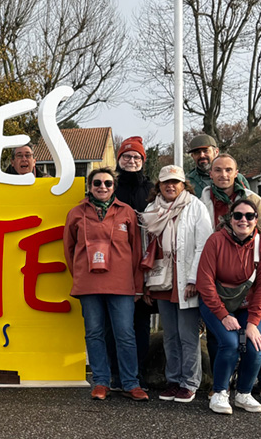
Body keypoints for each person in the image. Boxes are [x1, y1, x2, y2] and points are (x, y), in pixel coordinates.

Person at [198, 153, 261, 404]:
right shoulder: (215, 238)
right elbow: (205, 281)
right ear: (229, 219)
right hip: (217, 301)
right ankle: (220, 391)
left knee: (256, 345)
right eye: (238, 216)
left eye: (249, 217)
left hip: (247, 302)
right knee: (229, 344)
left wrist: (253, 322)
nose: (243, 220)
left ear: (256, 220)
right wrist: (222, 314)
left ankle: (244, 392)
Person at [64, 167, 148, 401]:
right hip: (89, 284)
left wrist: (137, 285)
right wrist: (79, 274)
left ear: (114, 187)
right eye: (97, 183)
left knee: (125, 334)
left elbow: (136, 250)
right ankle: (101, 381)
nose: (103, 187)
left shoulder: (126, 212)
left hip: (122, 285)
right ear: (89, 187)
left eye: (108, 183)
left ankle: (131, 382)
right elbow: (69, 249)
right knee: (94, 334)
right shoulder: (76, 213)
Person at [142, 165, 213, 403]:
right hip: (162, 280)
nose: (170, 186)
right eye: (165, 182)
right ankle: (173, 380)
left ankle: (189, 382)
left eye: (175, 182)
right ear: (159, 186)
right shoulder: (151, 209)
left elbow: (204, 246)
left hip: (185, 281)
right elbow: (145, 249)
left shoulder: (195, 207)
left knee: (188, 335)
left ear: (184, 184)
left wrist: (195, 279)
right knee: (170, 335)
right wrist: (146, 283)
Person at [111, 136, 152, 385]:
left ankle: (139, 373)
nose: (132, 161)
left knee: (141, 321)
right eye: (127, 156)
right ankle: (116, 373)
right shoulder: (110, 187)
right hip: (115, 262)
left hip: (144, 262)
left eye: (137, 157)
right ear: (119, 159)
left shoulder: (150, 189)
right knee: (114, 322)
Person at [187, 134, 251, 197]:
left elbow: (250, 202)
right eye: (197, 152)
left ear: (216, 152)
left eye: (205, 151)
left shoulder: (237, 178)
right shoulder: (187, 181)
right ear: (192, 156)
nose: (202, 155)